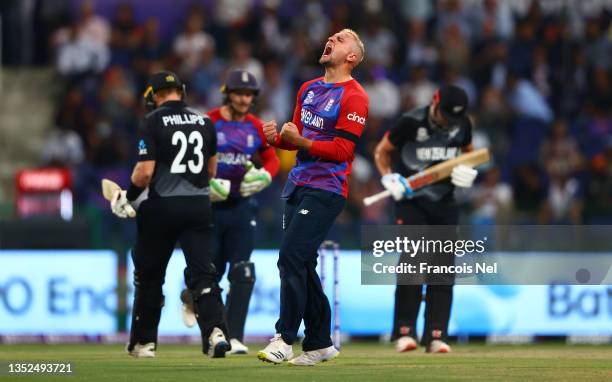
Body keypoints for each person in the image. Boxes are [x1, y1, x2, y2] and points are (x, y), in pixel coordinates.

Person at [257, 29, 369, 366]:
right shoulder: (308, 88)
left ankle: (285, 338)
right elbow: (297, 138)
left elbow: (342, 150)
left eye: (342, 39)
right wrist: (278, 139)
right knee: (302, 262)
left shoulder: (355, 96)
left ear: (352, 57)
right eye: (332, 36)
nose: (332, 39)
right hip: (297, 184)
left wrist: (301, 142)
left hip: (327, 189)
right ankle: (320, 343)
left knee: (290, 255)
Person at [109, 71, 231, 358]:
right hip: (199, 207)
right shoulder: (205, 121)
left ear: (153, 96)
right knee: (204, 275)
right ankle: (216, 333)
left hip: (161, 207)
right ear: (182, 91)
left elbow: (144, 172)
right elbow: (211, 172)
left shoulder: (152, 121)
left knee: (150, 276)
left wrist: (126, 198)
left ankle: (144, 342)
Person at [180, 70, 280, 355]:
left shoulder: (256, 127)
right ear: (227, 93)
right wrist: (205, 182)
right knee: (209, 275)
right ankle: (192, 298)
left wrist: (265, 177)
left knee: (243, 271)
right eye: (239, 93)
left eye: (249, 94)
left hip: (242, 207)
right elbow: (189, 160)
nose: (244, 99)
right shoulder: (208, 122)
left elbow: (271, 160)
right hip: (209, 208)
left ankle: (233, 337)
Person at [373, 85, 478, 353]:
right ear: (435, 103)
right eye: (445, 115)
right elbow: (382, 152)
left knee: (442, 269)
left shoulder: (462, 123)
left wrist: (467, 170)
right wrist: (388, 176)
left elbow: (469, 152)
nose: (448, 122)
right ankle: (404, 331)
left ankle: (436, 335)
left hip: (445, 203)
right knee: (413, 262)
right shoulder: (411, 121)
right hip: (412, 203)